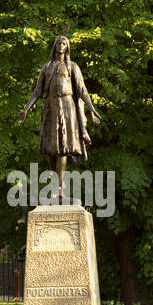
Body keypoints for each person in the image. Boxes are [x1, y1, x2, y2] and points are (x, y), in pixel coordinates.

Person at [17, 27, 101, 193]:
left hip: (67, 108)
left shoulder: (73, 67)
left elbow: (82, 90)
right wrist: (25, 110)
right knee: (51, 149)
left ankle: (60, 188)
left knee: (63, 148)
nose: (61, 45)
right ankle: (57, 179)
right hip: (50, 109)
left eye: (64, 43)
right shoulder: (47, 67)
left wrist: (92, 110)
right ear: (54, 46)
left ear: (67, 47)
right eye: (58, 42)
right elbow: (37, 92)